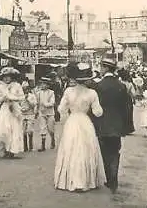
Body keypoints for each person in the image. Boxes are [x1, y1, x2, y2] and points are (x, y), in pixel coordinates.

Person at [54, 62, 106, 192]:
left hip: (72, 121)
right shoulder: (92, 93)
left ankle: (71, 179)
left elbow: (61, 109)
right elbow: (98, 113)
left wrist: (68, 110)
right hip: (85, 121)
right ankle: (84, 180)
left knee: (71, 149)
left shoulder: (68, 91)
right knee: (85, 149)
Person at [94, 57, 129, 193]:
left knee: (105, 153)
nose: (101, 70)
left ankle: (110, 179)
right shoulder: (121, 86)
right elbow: (127, 108)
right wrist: (125, 126)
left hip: (102, 125)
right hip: (117, 126)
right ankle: (114, 179)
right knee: (115, 152)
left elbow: (95, 109)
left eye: (102, 67)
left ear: (106, 68)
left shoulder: (98, 86)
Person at [0, 67, 25, 158]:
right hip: (5, 108)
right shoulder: (0, 86)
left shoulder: (17, 86)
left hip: (14, 108)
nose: (6, 79)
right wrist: (3, 98)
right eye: (4, 77)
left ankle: (12, 150)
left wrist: (12, 98)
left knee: (14, 129)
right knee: (3, 130)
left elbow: (22, 97)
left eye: (8, 77)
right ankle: (4, 149)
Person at [36, 76, 57, 151]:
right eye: (41, 83)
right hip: (42, 113)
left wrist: (45, 104)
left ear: (48, 85)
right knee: (42, 128)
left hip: (50, 113)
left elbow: (52, 102)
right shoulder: (38, 93)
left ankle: (52, 139)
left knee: (51, 129)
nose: (42, 85)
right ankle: (43, 145)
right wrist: (36, 111)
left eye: (44, 84)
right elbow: (37, 103)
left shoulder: (51, 92)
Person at [20, 80, 37, 152]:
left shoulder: (32, 96)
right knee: (23, 131)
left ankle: (31, 146)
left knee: (30, 130)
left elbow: (34, 104)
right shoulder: (20, 96)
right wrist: (21, 109)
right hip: (22, 114)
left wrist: (28, 100)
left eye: (26, 88)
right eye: (23, 89)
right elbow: (17, 105)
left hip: (30, 114)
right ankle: (25, 147)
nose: (25, 90)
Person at [117, 68, 136, 135]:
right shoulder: (130, 84)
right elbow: (133, 94)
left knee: (120, 113)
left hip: (120, 99)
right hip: (128, 99)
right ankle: (127, 129)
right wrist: (134, 99)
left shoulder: (119, 82)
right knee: (128, 114)